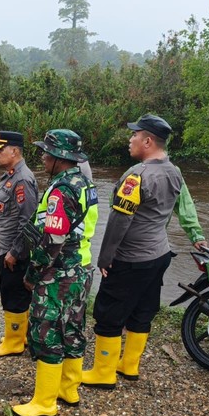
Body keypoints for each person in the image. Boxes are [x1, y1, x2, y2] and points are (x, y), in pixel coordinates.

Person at [82, 114, 183, 389]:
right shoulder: (174, 171)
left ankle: (103, 373)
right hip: (159, 253)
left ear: (148, 141)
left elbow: (118, 221)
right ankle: (129, 365)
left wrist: (105, 257)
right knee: (142, 309)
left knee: (109, 313)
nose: (130, 139)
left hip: (131, 258)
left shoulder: (136, 176)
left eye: (134, 135)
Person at [12, 130, 97, 416]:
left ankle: (44, 402)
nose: (43, 157)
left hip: (58, 274)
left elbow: (52, 241)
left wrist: (34, 273)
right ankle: (68, 388)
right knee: (72, 328)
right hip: (82, 269)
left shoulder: (61, 191)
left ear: (60, 157)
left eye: (47, 152)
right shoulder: (85, 183)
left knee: (46, 332)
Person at [0, 131, 39, 357]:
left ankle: (14, 342)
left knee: (13, 292)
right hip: (6, 245)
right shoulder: (10, 175)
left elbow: (27, 220)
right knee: (12, 289)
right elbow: (5, 213)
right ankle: (19, 335)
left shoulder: (22, 179)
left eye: (0, 150)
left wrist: (15, 252)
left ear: (14, 151)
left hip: (15, 250)